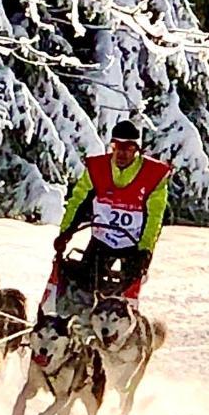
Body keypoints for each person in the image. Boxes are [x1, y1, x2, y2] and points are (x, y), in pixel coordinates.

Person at [50, 120, 170, 309]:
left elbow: (155, 216)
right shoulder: (98, 169)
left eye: (127, 147)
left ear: (136, 149)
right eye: (116, 146)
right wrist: (66, 232)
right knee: (81, 281)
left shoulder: (153, 175)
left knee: (127, 286)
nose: (121, 153)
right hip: (102, 239)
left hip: (133, 244)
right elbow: (78, 201)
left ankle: (123, 319)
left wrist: (145, 249)